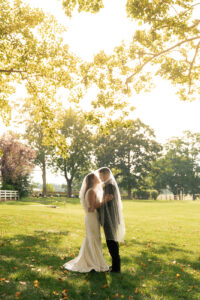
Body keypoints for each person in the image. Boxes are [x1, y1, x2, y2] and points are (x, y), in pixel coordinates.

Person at [63, 173, 109, 273]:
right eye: (96, 177)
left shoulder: (91, 190)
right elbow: (91, 208)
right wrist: (105, 200)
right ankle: (93, 261)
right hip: (91, 217)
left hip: (91, 218)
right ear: (92, 180)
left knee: (92, 238)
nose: (98, 178)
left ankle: (92, 259)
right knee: (93, 238)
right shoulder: (91, 191)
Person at [96, 167, 125, 273]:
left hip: (110, 218)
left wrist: (96, 206)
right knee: (112, 240)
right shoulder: (109, 185)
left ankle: (116, 268)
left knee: (111, 241)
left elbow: (107, 202)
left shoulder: (109, 186)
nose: (100, 178)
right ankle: (115, 265)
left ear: (106, 174)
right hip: (111, 217)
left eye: (101, 175)